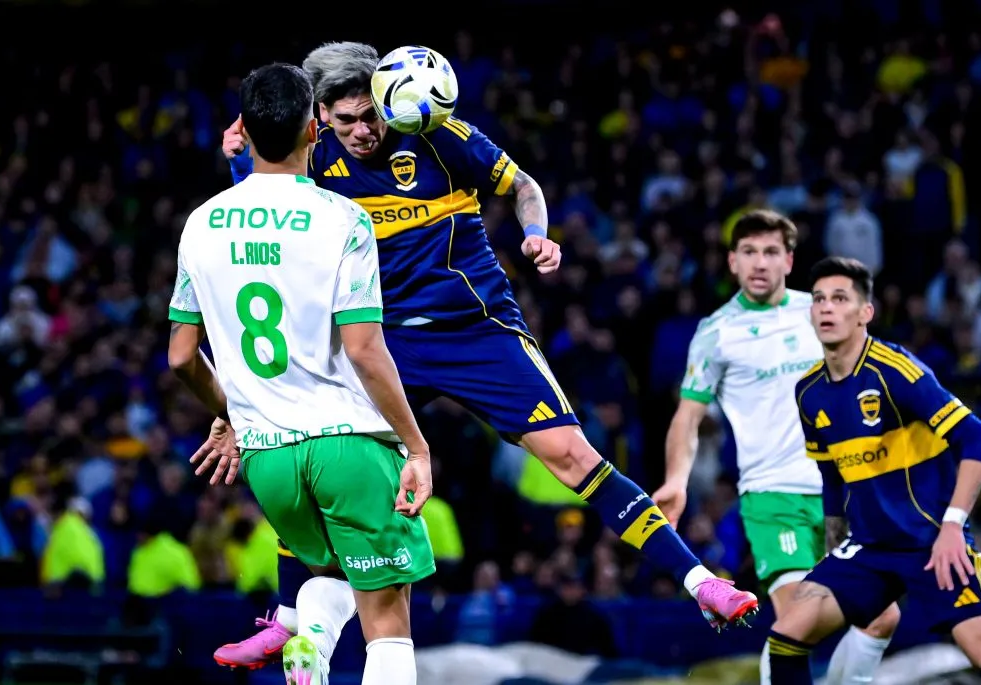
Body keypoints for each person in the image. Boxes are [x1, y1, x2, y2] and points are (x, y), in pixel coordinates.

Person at [205, 40, 758, 670]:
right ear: (320, 119)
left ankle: (700, 584)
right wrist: (239, 164)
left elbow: (524, 186)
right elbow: (270, 235)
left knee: (573, 456)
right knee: (316, 454)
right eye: (346, 120)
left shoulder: (440, 135)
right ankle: (287, 621)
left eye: (372, 115)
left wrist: (536, 234)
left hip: (477, 330)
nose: (363, 131)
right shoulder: (314, 161)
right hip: (381, 344)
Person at [167, 62, 435, 685]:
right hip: (348, 443)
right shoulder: (343, 218)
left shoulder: (201, 223)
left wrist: (232, 415)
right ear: (315, 128)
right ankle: (312, 637)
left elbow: (181, 357)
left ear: (244, 128)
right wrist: (417, 447)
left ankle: (311, 638)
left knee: (334, 575)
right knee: (388, 618)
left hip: (268, 460)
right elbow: (365, 348)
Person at [653, 211, 899, 685]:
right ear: (732, 261)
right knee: (797, 624)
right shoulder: (716, 332)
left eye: (770, 252)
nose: (759, 263)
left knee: (882, 617)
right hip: (773, 497)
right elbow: (688, 416)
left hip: (843, 492)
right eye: (749, 252)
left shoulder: (820, 313)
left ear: (788, 260)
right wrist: (677, 481)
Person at [766, 257, 981, 684]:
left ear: (865, 312)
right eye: (819, 299)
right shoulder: (809, 392)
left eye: (840, 298)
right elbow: (831, 475)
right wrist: (833, 540)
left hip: (930, 541)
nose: (826, 308)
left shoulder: (895, 370)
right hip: (869, 547)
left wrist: (952, 526)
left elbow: (978, 440)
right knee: (787, 634)